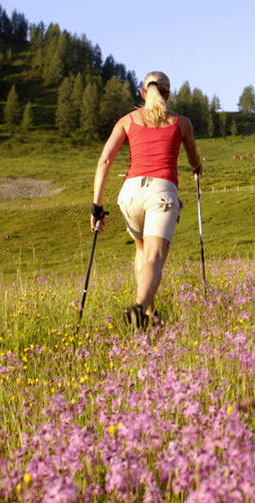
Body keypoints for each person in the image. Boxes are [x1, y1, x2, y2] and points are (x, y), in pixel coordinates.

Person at [91, 71, 202, 327]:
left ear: (143, 93)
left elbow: (105, 160)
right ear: (168, 94)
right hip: (161, 192)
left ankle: (149, 312)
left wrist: (97, 206)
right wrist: (197, 168)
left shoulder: (127, 121)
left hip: (130, 193)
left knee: (142, 250)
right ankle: (139, 308)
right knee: (154, 257)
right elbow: (193, 159)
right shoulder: (181, 123)